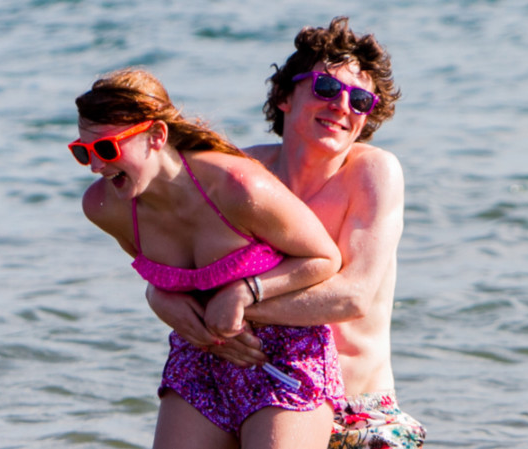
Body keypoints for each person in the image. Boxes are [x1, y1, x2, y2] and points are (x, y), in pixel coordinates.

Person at [147, 17, 426, 449]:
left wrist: (241, 298)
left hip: (352, 408)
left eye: (361, 100)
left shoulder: (373, 172)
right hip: (236, 386)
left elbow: (352, 297)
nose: (342, 106)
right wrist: (163, 298)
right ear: (283, 96)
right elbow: (173, 267)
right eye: (327, 88)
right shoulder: (241, 172)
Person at [69, 67, 345, 449]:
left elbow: (325, 259)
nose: (96, 166)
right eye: (83, 153)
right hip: (199, 357)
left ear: (156, 136)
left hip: (283, 357)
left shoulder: (238, 186)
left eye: (106, 148)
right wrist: (161, 300)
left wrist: (247, 291)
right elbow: (157, 277)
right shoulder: (104, 206)